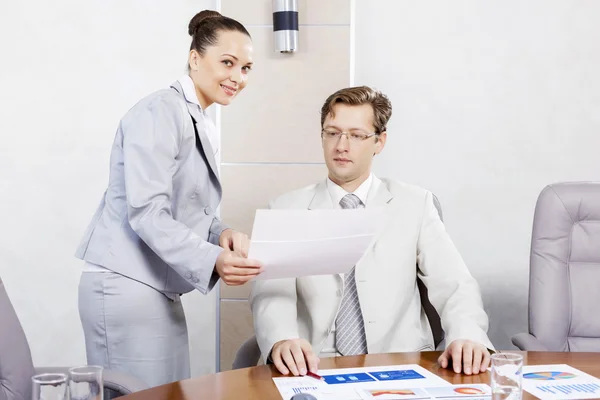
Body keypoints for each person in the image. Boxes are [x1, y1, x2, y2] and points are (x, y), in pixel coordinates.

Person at [250, 86, 494, 378]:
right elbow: (271, 293)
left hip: (400, 364)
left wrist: (466, 335)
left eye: (356, 135)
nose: (341, 145)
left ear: (380, 142)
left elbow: (454, 284)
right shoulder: (285, 209)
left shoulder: (415, 204)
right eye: (332, 132)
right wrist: (281, 338)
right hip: (312, 366)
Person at [75, 10, 262, 388]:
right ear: (195, 58)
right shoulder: (161, 110)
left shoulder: (195, 117)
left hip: (154, 287)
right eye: (227, 62)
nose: (237, 77)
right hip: (127, 285)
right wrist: (213, 258)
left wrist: (220, 233)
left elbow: (185, 206)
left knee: (171, 394)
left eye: (246, 68)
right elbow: (147, 212)